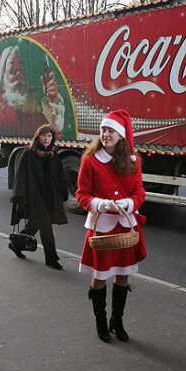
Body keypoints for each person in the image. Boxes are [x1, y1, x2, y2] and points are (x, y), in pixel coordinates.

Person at [76, 109, 147, 343]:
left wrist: (127, 203)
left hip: (126, 227)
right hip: (101, 229)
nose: (105, 134)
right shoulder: (89, 162)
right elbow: (81, 195)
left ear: (121, 135)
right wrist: (100, 204)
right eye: (103, 130)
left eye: (111, 131)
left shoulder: (133, 162)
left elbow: (139, 193)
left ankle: (117, 321)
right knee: (99, 277)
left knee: (123, 276)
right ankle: (100, 322)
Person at [10, 124, 68, 269]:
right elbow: (21, 176)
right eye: (43, 135)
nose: (46, 139)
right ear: (38, 136)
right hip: (34, 196)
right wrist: (19, 197)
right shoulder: (28, 153)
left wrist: (63, 191)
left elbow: (60, 175)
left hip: (49, 196)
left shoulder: (53, 154)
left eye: (49, 136)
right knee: (46, 226)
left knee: (36, 224)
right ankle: (51, 259)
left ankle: (16, 244)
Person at [0, 45, 65, 136]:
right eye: (13, 70)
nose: (19, 74)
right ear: (4, 78)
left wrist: (52, 103)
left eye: (21, 69)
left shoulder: (35, 109)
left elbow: (54, 137)